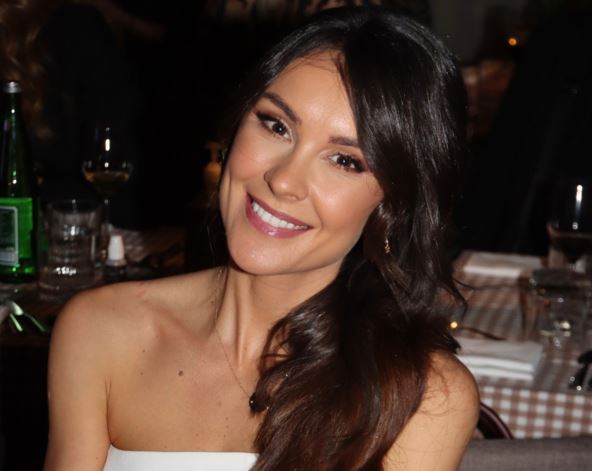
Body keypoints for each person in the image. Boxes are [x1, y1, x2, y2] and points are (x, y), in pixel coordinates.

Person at [44, 6, 479, 471]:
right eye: (276, 126)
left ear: (392, 205)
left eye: (345, 161)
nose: (283, 180)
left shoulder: (420, 396)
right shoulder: (100, 331)